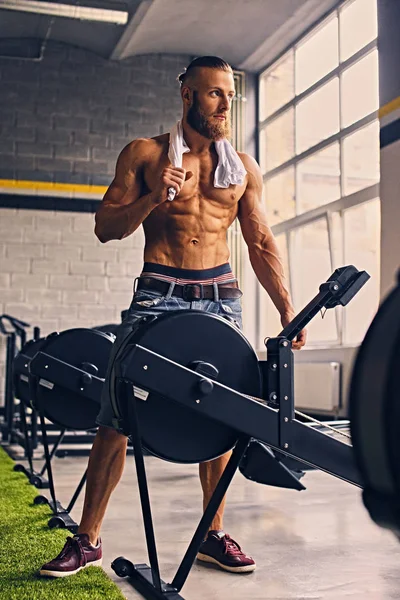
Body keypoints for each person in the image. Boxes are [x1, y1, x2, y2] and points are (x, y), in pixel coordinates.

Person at [39, 56, 306, 579]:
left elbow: (259, 241)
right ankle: (88, 539)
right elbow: (104, 227)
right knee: (116, 417)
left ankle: (212, 534)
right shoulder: (144, 154)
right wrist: (151, 198)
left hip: (220, 298)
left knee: (221, 420)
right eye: (214, 95)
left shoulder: (242, 168)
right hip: (158, 295)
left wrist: (287, 310)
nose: (226, 106)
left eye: (230, 96)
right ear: (187, 96)